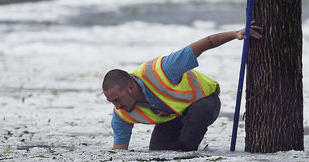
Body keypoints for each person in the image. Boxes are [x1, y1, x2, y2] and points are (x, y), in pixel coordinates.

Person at [102, 23, 262, 151]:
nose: (117, 106)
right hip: (173, 116)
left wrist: (235, 34)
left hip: (204, 102)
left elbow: (203, 45)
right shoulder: (120, 115)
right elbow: (119, 150)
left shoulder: (164, 69)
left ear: (130, 87)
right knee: (158, 151)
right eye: (112, 102)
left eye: (117, 99)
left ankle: (188, 151)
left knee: (186, 142)